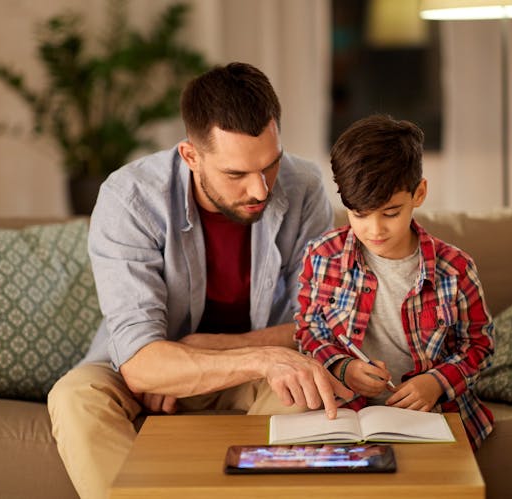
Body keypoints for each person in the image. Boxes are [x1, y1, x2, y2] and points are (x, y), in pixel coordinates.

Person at [47, 62, 353, 499]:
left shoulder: (303, 188)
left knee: (307, 394)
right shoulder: (129, 200)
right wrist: (260, 357)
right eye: (236, 174)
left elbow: (317, 326)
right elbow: (139, 362)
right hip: (156, 372)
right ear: (191, 156)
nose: (261, 191)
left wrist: (201, 350)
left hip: (240, 373)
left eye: (270, 165)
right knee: (75, 397)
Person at [294, 114, 495, 449]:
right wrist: (343, 367)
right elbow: (307, 330)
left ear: (419, 193)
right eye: (359, 214)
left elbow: (479, 346)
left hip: (433, 414)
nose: (375, 230)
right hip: (347, 412)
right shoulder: (321, 256)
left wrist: (436, 382)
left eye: (390, 213)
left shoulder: (455, 269)